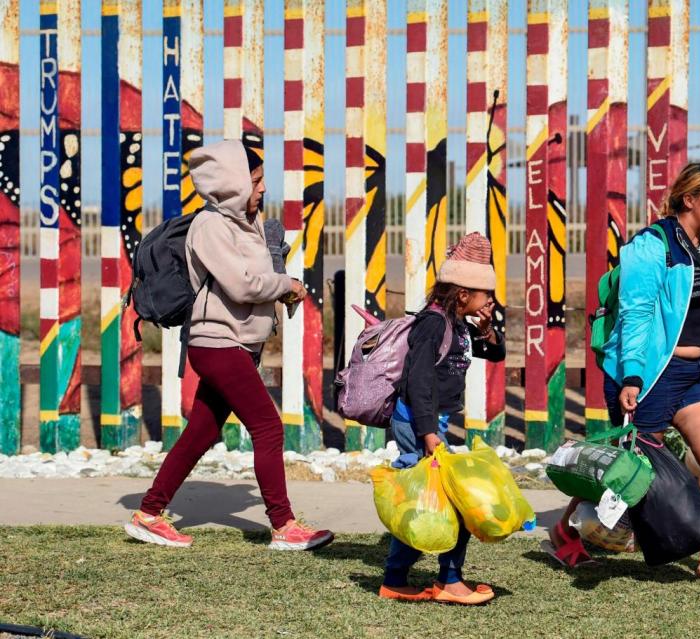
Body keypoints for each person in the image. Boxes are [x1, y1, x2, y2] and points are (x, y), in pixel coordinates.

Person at [546, 162, 700, 583]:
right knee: (630, 468)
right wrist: (632, 376)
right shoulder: (651, 247)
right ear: (689, 200)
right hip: (656, 373)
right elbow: (637, 314)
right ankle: (563, 532)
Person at [124, 140, 332, 551]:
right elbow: (242, 284)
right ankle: (284, 526)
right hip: (217, 343)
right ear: (234, 182)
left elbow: (251, 277)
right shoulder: (212, 226)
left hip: (235, 344)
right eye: (255, 181)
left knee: (201, 432)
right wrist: (286, 285)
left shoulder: (245, 223)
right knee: (268, 427)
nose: (261, 190)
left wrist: (278, 277)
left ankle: (149, 513)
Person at [378, 233, 506, 604]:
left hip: (432, 420)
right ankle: (447, 581)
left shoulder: (459, 323)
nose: (491, 302)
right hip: (419, 422)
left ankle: (397, 578)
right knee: (452, 498)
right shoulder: (433, 324)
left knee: (428, 499)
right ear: (464, 293)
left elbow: (495, 354)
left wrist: (486, 327)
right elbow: (418, 382)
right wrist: (429, 433)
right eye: (486, 295)